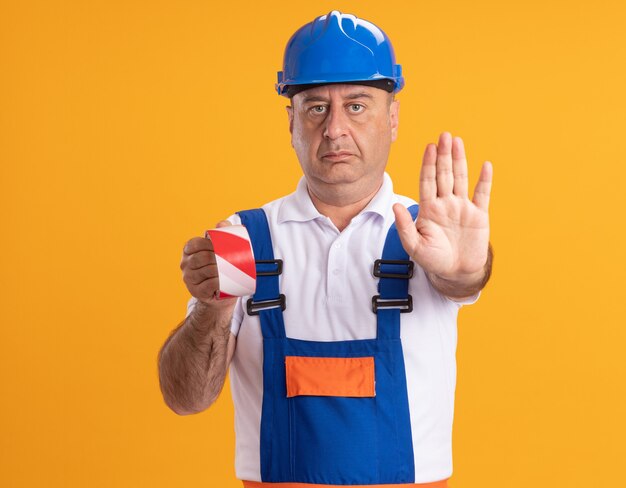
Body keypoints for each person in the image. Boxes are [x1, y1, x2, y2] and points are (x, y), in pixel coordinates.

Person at [158, 10, 493, 488]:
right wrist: (211, 309)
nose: (335, 129)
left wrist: (465, 270)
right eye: (316, 107)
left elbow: (460, 279)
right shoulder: (242, 239)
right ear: (291, 120)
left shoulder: (431, 234)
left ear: (392, 118)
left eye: (357, 105)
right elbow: (185, 398)